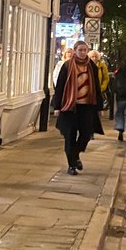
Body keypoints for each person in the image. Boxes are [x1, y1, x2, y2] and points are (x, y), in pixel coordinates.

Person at [53, 41, 105, 175]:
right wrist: (57, 106)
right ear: (75, 50)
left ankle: (75, 155)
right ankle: (71, 165)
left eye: (85, 50)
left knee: (86, 134)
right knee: (70, 136)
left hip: (87, 106)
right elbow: (60, 86)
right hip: (70, 106)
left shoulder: (91, 66)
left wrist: (99, 107)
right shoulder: (67, 66)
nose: (83, 52)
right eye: (80, 50)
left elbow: (96, 87)